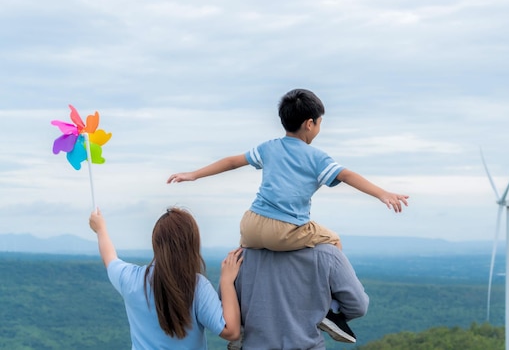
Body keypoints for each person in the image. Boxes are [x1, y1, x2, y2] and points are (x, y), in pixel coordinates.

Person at [167, 88, 408, 342]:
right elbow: (346, 175)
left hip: (250, 226)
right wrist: (382, 193)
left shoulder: (269, 147)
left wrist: (193, 174)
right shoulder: (316, 157)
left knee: (248, 265)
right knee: (333, 241)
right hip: (284, 229)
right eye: (320, 123)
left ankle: (242, 334)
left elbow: (232, 161)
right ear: (309, 124)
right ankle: (332, 311)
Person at [89, 207, 243, 349]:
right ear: (192, 244)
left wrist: (100, 229)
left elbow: (109, 258)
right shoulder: (197, 287)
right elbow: (231, 332)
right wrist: (227, 281)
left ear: (155, 243)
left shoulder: (131, 280)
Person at [230, 244, 369, 350]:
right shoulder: (328, 253)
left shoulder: (240, 256)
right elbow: (358, 306)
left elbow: (226, 315)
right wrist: (323, 312)